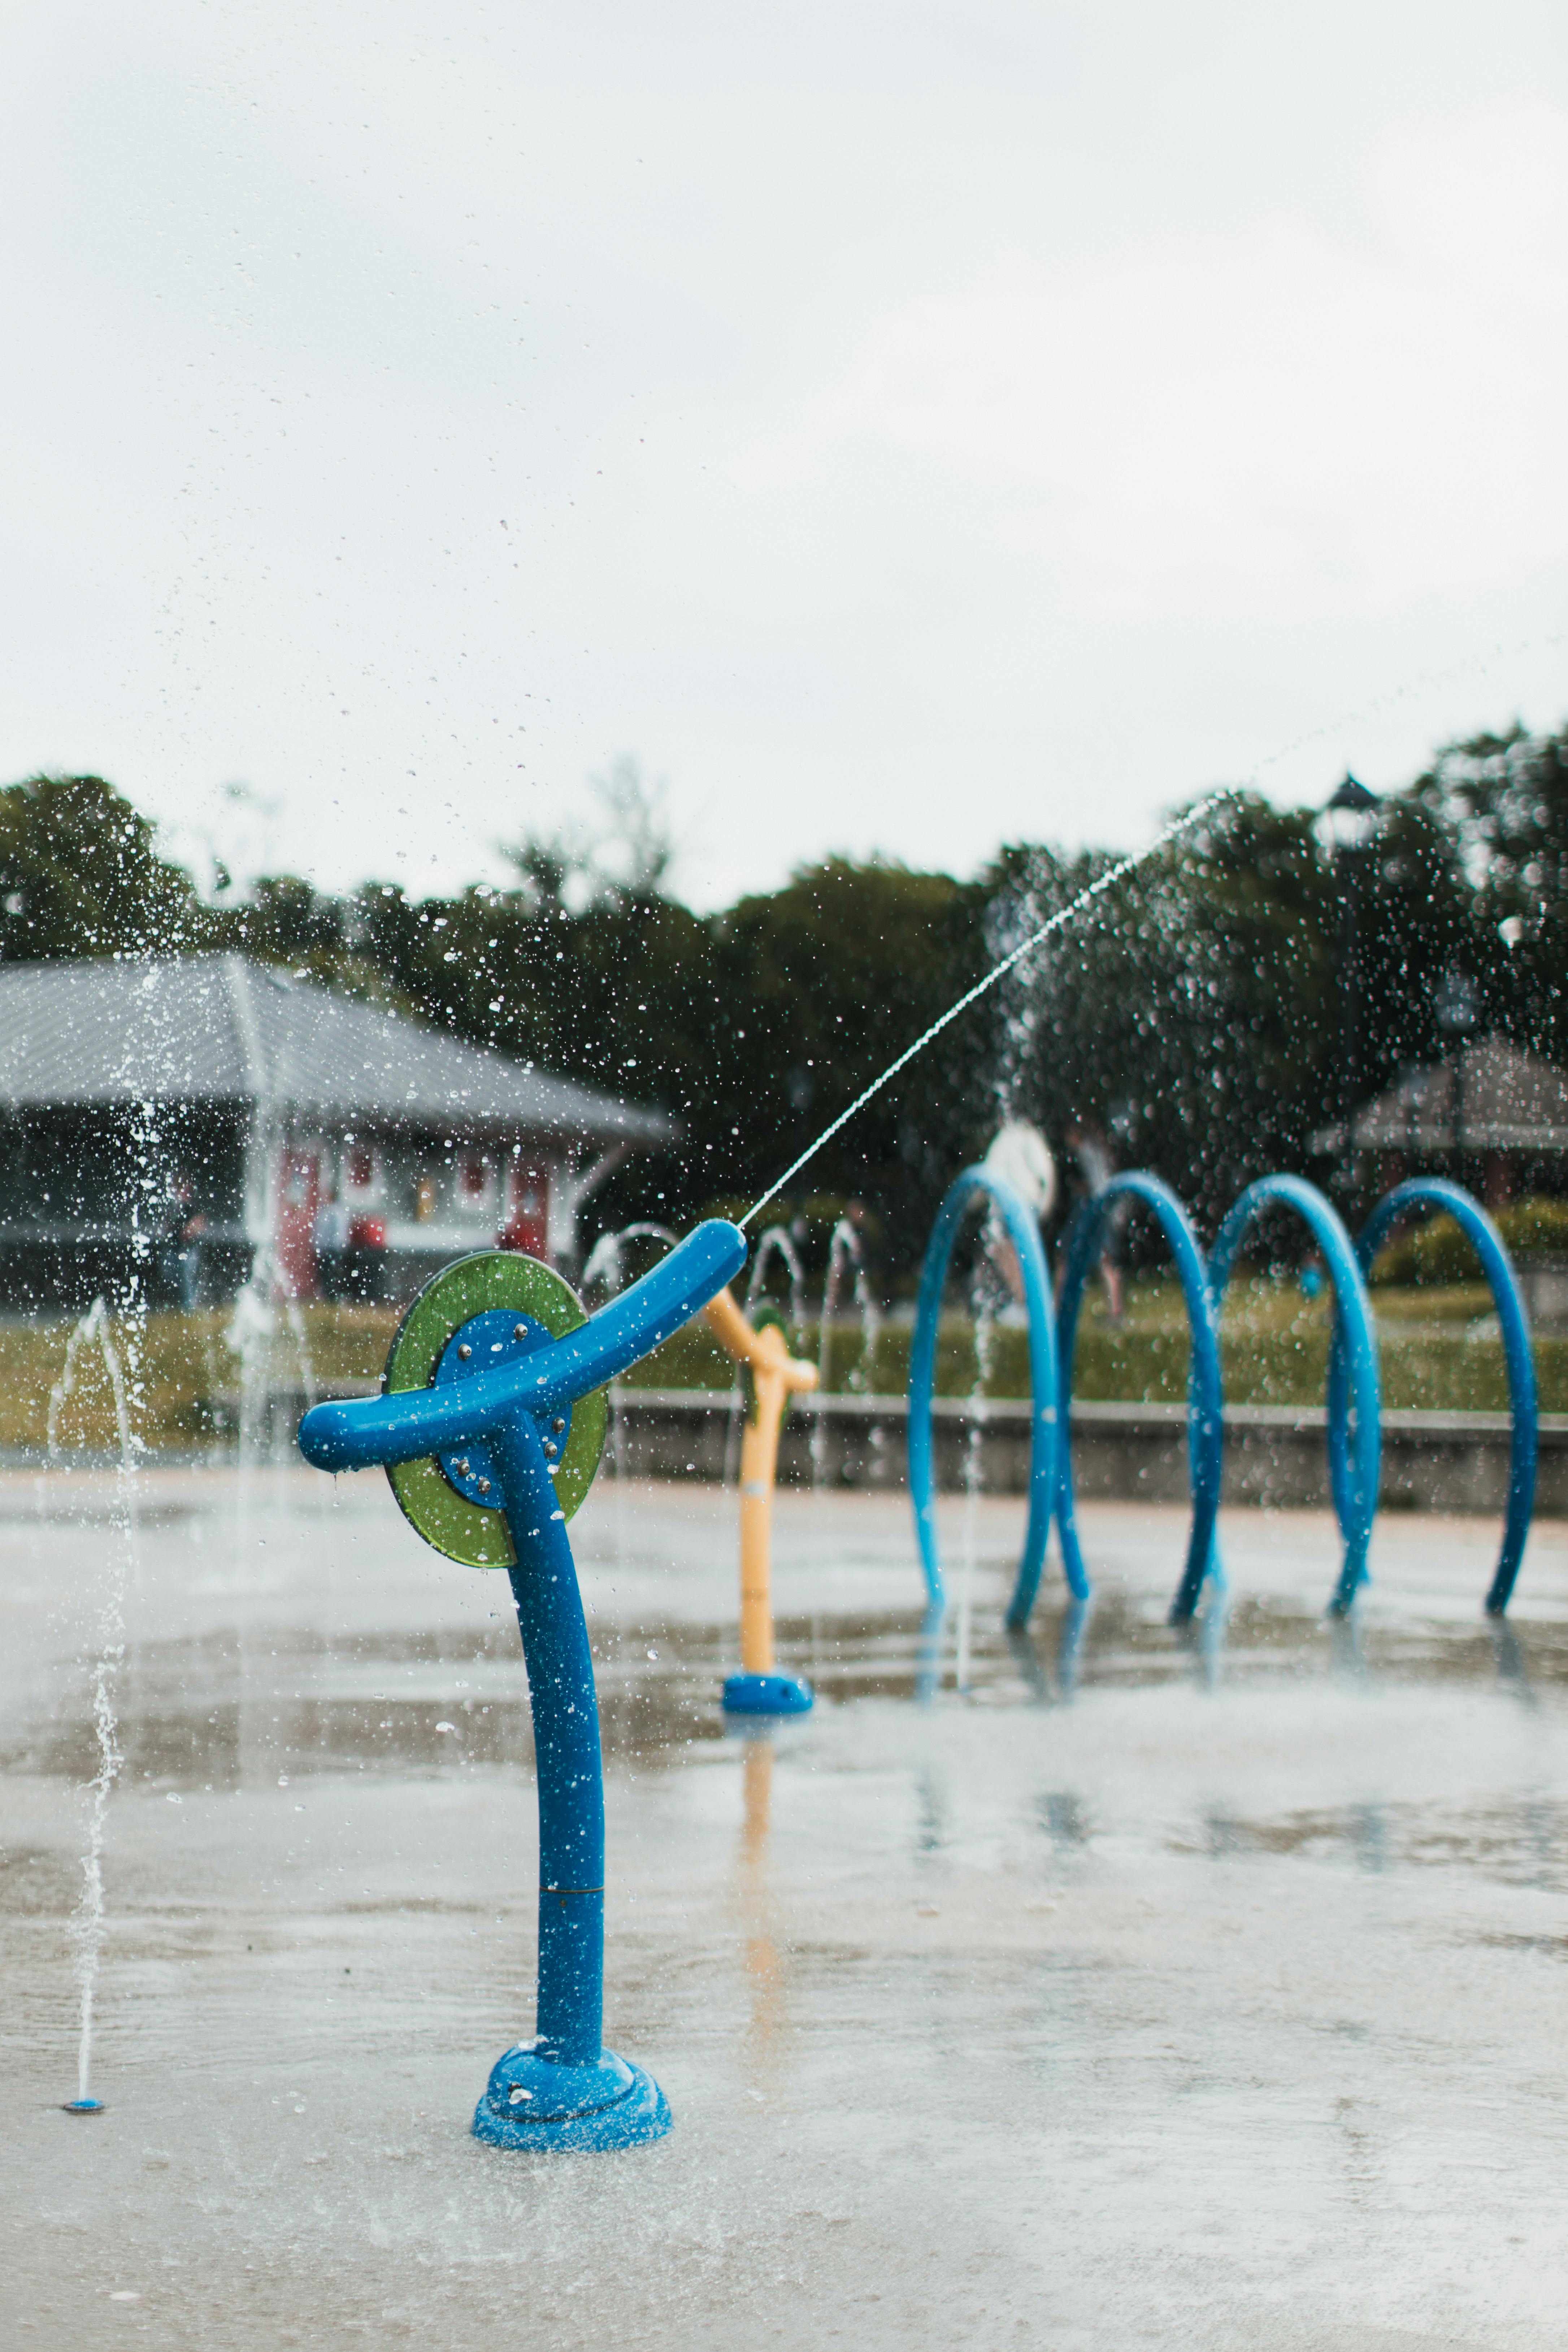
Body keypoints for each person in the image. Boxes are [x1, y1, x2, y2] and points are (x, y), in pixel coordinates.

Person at [981, 1120, 1057, 1308]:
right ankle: (1030, 1303)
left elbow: (990, 1173)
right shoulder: (1029, 1136)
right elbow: (1047, 1172)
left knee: (1008, 1252)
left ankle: (1024, 1304)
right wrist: (1046, 1203)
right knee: (1022, 1254)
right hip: (1026, 1202)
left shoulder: (1010, 1138)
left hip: (1014, 1202)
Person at [1065, 1118, 1125, 1325]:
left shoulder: (1085, 1151)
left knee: (1104, 1260)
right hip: (1108, 1207)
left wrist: (1080, 1190)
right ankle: (1115, 1311)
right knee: (1105, 1261)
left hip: (1100, 1209)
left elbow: (1096, 1184)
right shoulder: (1096, 1148)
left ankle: (1115, 1313)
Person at [313, 1186, 351, 1300]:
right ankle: (330, 1294)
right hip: (330, 1248)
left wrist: (325, 1245)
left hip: (330, 1248)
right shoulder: (331, 1211)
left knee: (330, 1272)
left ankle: (331, 1294)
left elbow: (331, 1232)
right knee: (328, 1272)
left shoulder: (333, 1212)